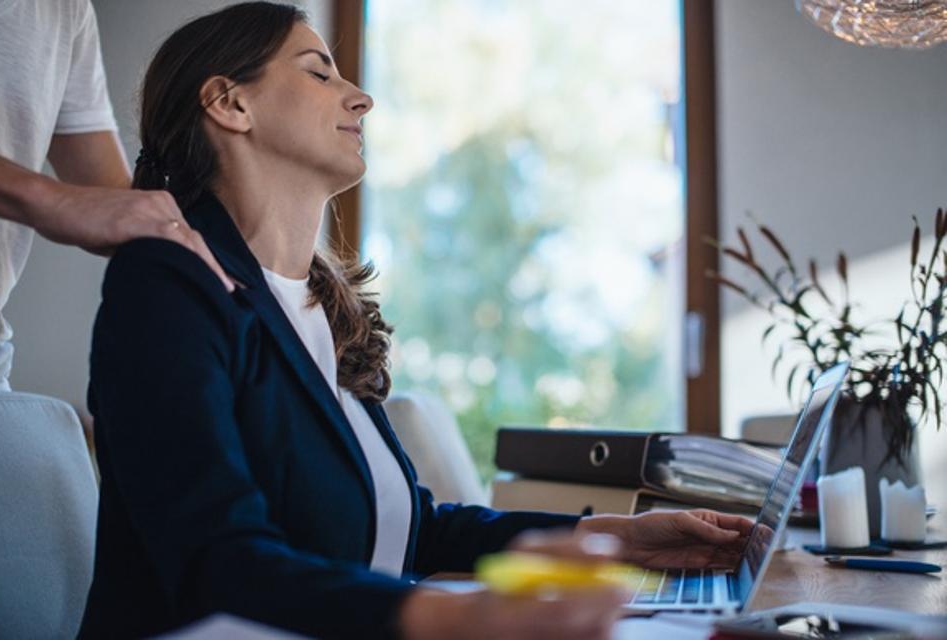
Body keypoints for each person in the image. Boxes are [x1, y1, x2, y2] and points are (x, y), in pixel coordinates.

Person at [79, 3, 754, 638]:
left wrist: (615, 539)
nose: (360, 97)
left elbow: (413, 529)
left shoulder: (319, 305)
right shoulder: (166, 283)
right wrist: (454, 619)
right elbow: (215, 562)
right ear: (231, 103)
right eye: (318, 71)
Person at [0, 0, 233, 392]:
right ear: (229, 102)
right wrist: (51, 200)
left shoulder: (65, 11)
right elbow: (80, 206)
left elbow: (114, 201)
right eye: (318, 73)